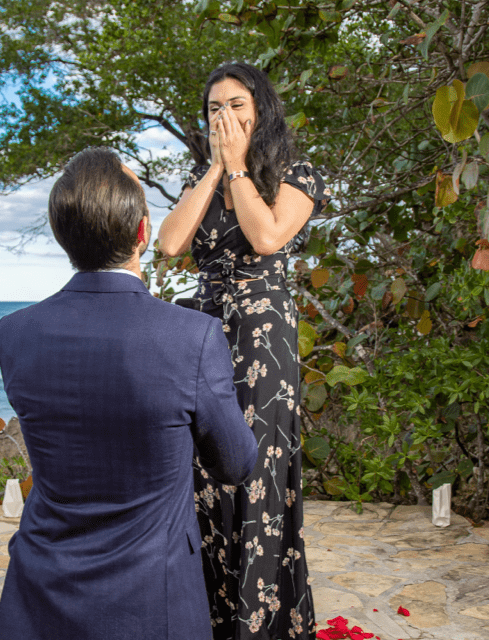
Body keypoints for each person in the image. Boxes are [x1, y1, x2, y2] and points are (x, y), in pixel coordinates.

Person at [0, 147, 258, 640]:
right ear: (141, 232)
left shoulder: (14, 333)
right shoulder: (192, 336)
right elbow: (235, 464)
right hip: (153, 601)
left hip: (40, 594)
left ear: (63, 236)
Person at [158, 62, 330, 640]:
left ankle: (261, 623)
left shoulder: (296, 171)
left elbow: (267, 236)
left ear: (261, 108)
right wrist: (212, 169)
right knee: (203, 471)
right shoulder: (205, 175)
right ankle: (208, 617)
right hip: (202, 332)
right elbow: (168, 244)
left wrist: (236, 167)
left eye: (235, 105)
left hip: (262, 334)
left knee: (257, 472)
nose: (224, 117)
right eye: (213, 109)